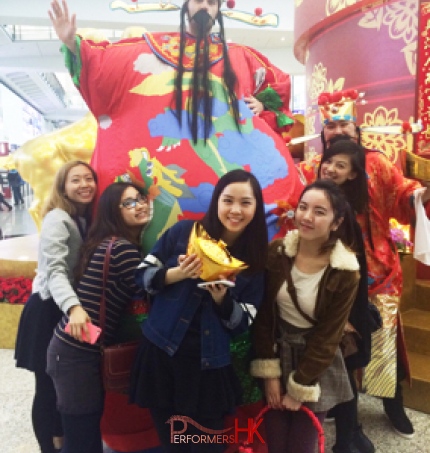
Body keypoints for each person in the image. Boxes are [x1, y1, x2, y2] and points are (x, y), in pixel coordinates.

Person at [48, 0, 303, 250]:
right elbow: (102, 66)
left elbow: (277, 85)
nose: (205, 7)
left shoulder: (240, 56)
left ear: (219, 10)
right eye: (199, 1)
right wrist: (72, 43)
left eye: (212, 3)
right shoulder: (148, 50)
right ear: (186, 5)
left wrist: (261, 103)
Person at [297, 90, 430, 441]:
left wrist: (419, 195)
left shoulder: (379, 163)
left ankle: (392, 403)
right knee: (336, 343)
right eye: (331, 124)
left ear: (356, 129)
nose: (337, 130)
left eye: (344, 123)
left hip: (378, 272)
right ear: (322, 131)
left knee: (383, 342)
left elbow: (402, 195)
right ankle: (343, 411)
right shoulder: (310, 168)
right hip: (328, 273)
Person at [129, 169, 268, 452]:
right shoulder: (183, 234)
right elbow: (142, 275)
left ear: (256, 207)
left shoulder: (254, 262)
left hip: (208, 367)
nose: (235, 210)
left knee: (207, 445)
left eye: (245, 203)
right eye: (228, 200)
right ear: (217, 201)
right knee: (174, 445)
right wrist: (176, 274)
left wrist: (223, 301)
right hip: (161, 357)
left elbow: (243, 323)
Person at [251, 179, 360, 453]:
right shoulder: (277, 253)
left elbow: (328, 336)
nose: (307, 217)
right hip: (277, 352)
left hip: (315, 364)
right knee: (275, 440)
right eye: (303, 207)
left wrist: (300, 387)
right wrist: (270, 374)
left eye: (320, 211)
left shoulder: (345, 271)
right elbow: (264, 317)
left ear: (336, 222)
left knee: (302, 443)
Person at [46, 182, 151, 453]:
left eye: (140, 198)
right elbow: (155, 286)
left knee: (84, 433)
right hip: (76, 355)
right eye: (128, 202)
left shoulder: (109, 243)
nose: (139, 205)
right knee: (82, 439)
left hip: (74, 351)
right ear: (113, 212)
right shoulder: (123, 250)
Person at [14, 160, 97, 453]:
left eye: (89, 178)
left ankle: (60, 439)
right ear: (62, 186)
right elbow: (55, 271)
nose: (85, 184)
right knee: (47, 386)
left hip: (63, 307)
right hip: (48, 307)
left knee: (62, 383)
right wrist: (74, 307)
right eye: (76, 180)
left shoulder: (82, 217)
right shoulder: (57, 219)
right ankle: (48, 447)